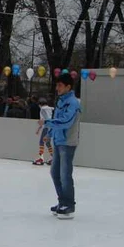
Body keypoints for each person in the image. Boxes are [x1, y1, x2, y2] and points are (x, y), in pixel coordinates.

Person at [40, 74, 81, 219]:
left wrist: (47, 123)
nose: (57, 88)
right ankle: (62, 201)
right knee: (55, 173)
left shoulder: (73, 103)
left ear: (68, 87)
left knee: (65, 174)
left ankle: (69, 204)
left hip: (68, 143)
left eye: (60, 85)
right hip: (58, 141)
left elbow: (65, 121)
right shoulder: (60, 101)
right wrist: (49, 134)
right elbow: (57, 118)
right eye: (57, 85)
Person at [33, 98, 54, 166]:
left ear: (40, 104)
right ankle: (53, 158)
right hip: (51, 127)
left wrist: (39, 128)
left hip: (46, 127)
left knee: (41, 142)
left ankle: (41, 158)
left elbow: (43, 119)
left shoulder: (42, 109)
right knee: (47, 143)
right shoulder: (50, 108)